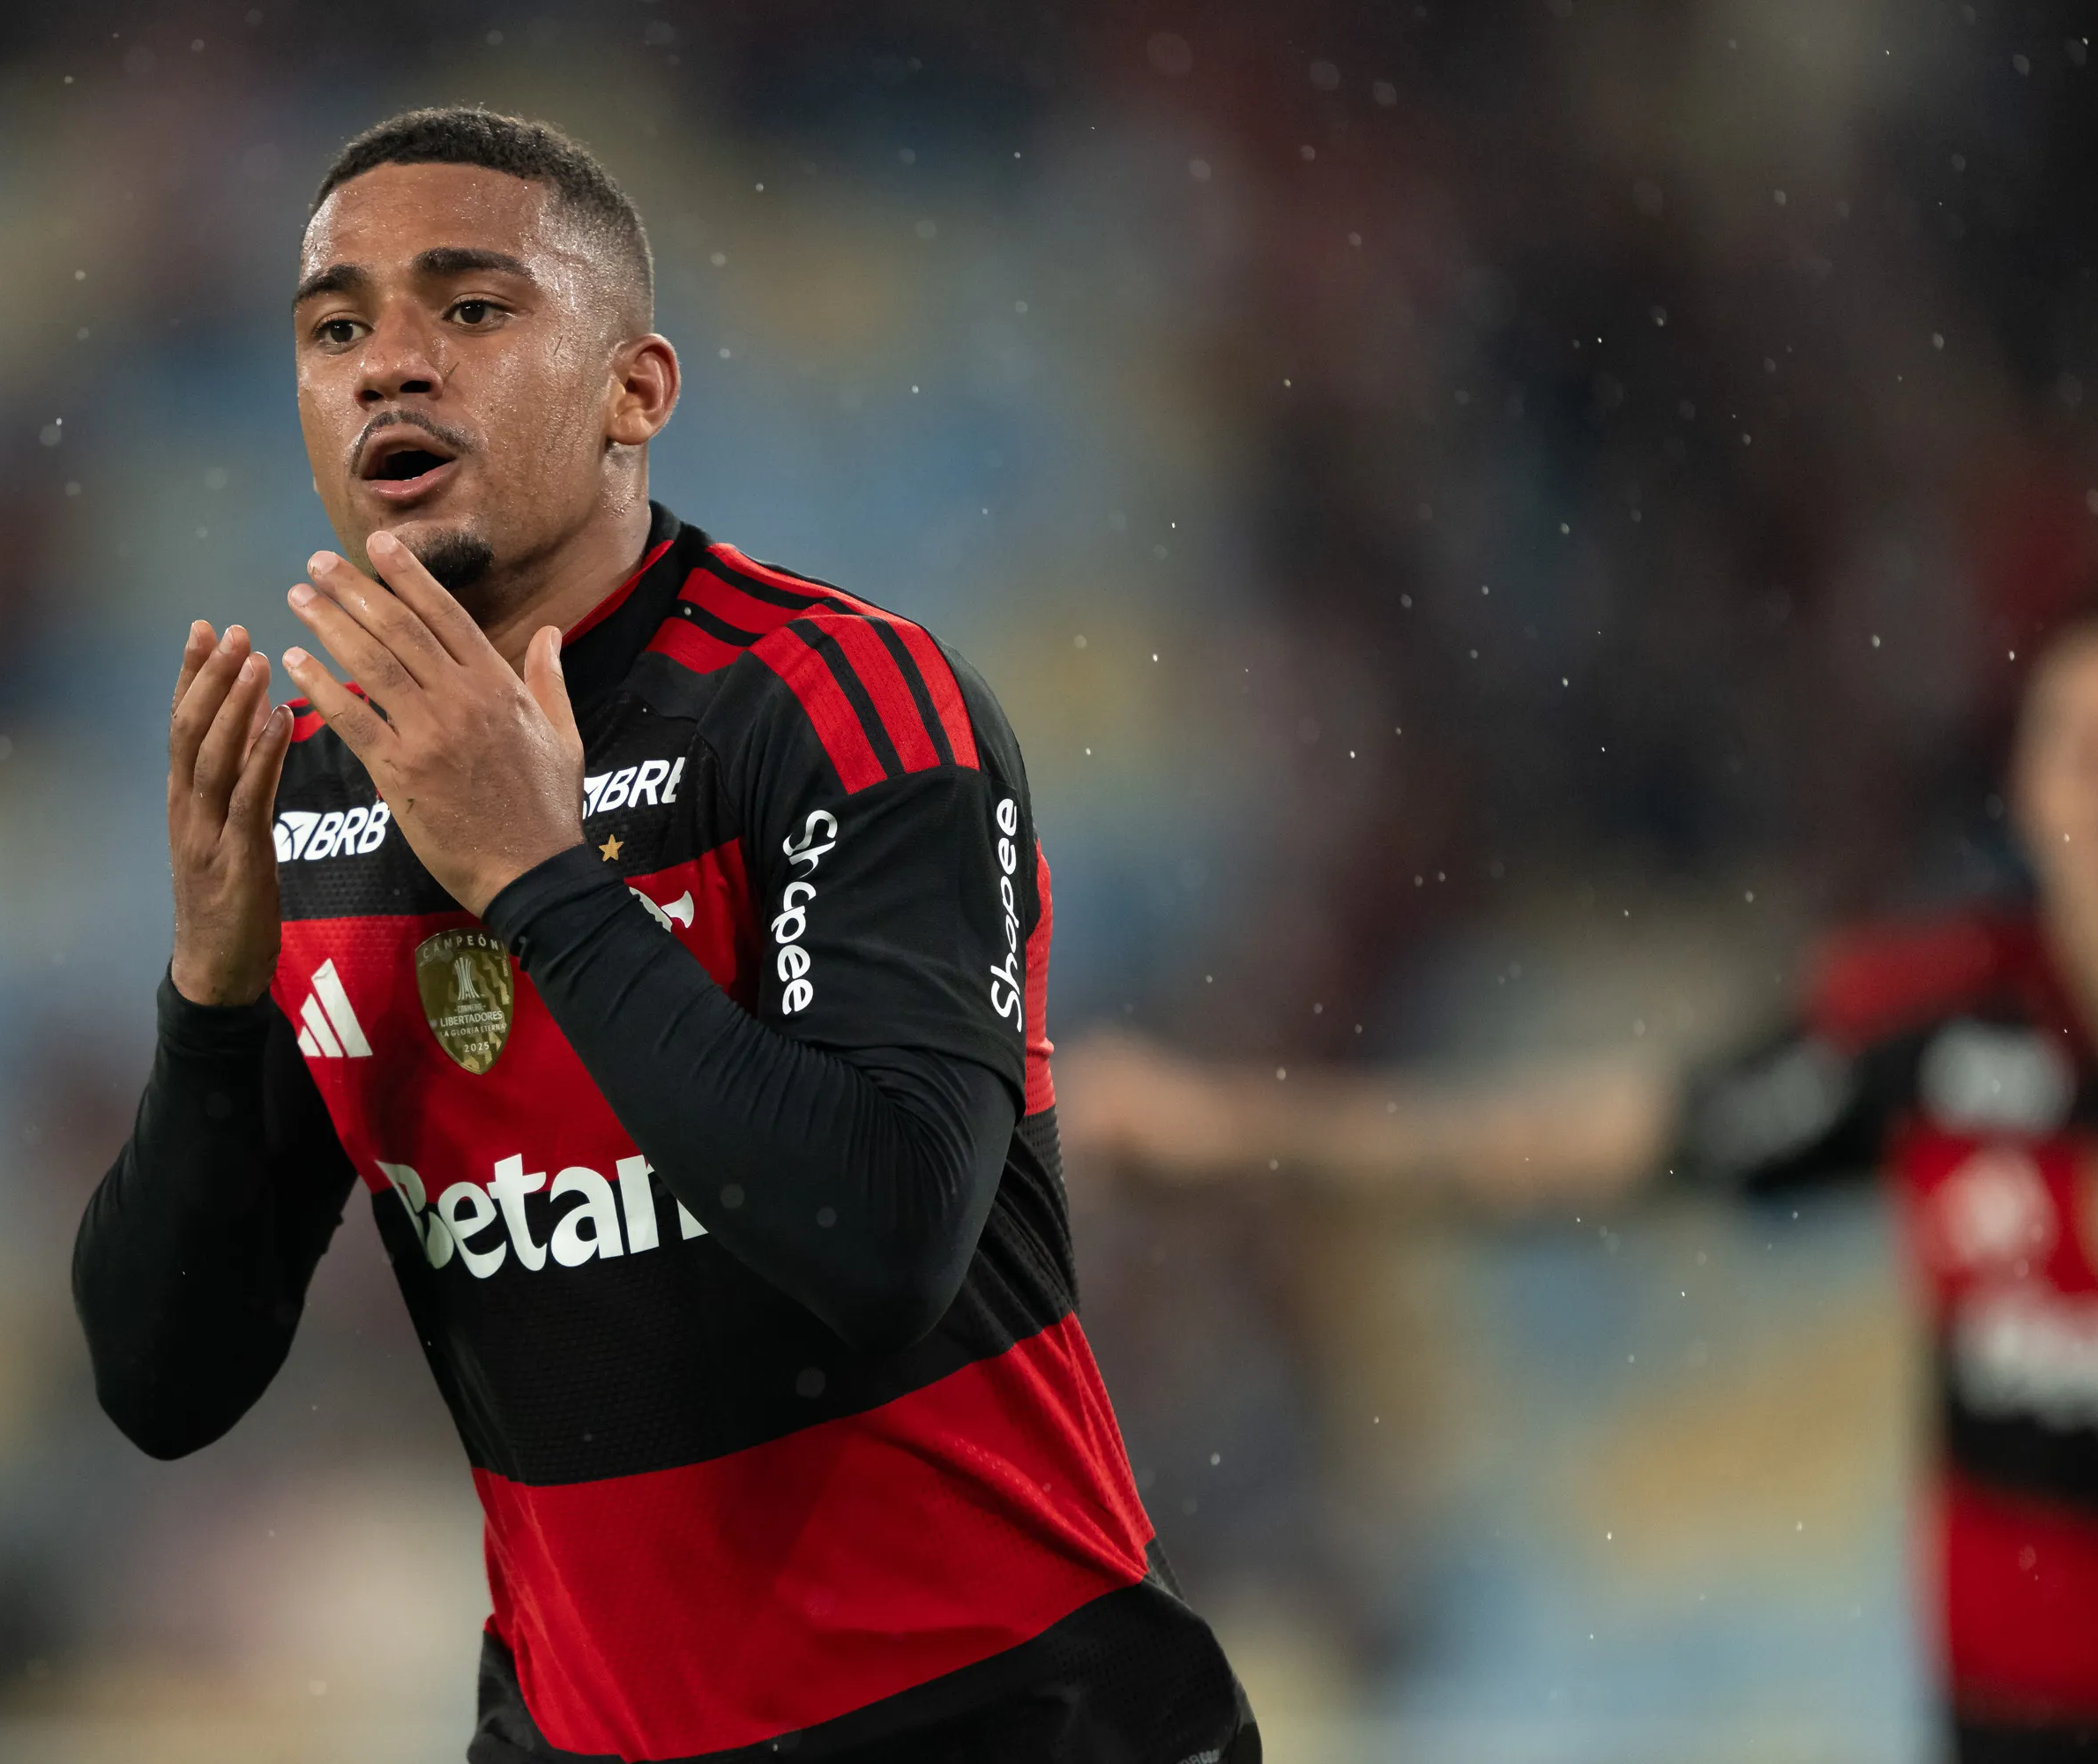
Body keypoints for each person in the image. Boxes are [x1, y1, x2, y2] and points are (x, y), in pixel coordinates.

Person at [69, 107, 1256, 1764]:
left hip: (1005, 1720)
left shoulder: (842, 703)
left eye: (470, 308)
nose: (389, 363)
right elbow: (165, 1384)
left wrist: (540, 880)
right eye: (336, 329)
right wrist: (209, 994)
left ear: (635, 391)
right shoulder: (325, 794)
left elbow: (885, 1239)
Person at [1061, 588, 2098, 1761]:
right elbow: (1565, 1153)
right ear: (2031, 791)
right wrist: (1230, 1131)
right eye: (2089, 750)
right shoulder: (1939, 1024)